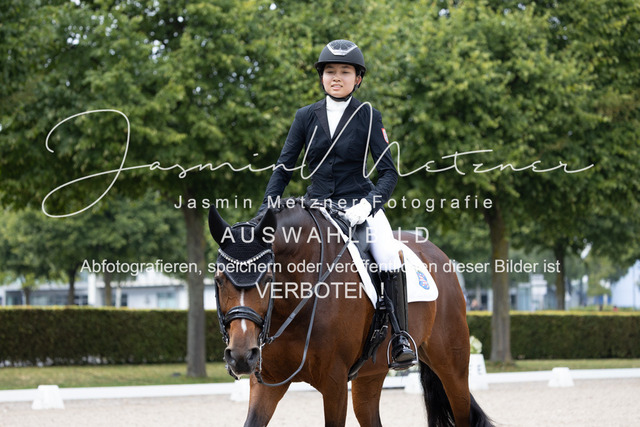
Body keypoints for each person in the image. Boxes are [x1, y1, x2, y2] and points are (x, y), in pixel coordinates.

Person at [258, 40, 416, 369]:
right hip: (315, 207)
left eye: (345, 72)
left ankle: (400, 337)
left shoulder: (368, 115)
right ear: (322, 77)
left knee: (388, 254)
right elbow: (284, 168)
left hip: (359, 204)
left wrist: (367, 207)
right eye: (330, 71)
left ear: (357, 79)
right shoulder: (305, 116)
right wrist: (265, 212)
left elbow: (389, 173)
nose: (336, 77)